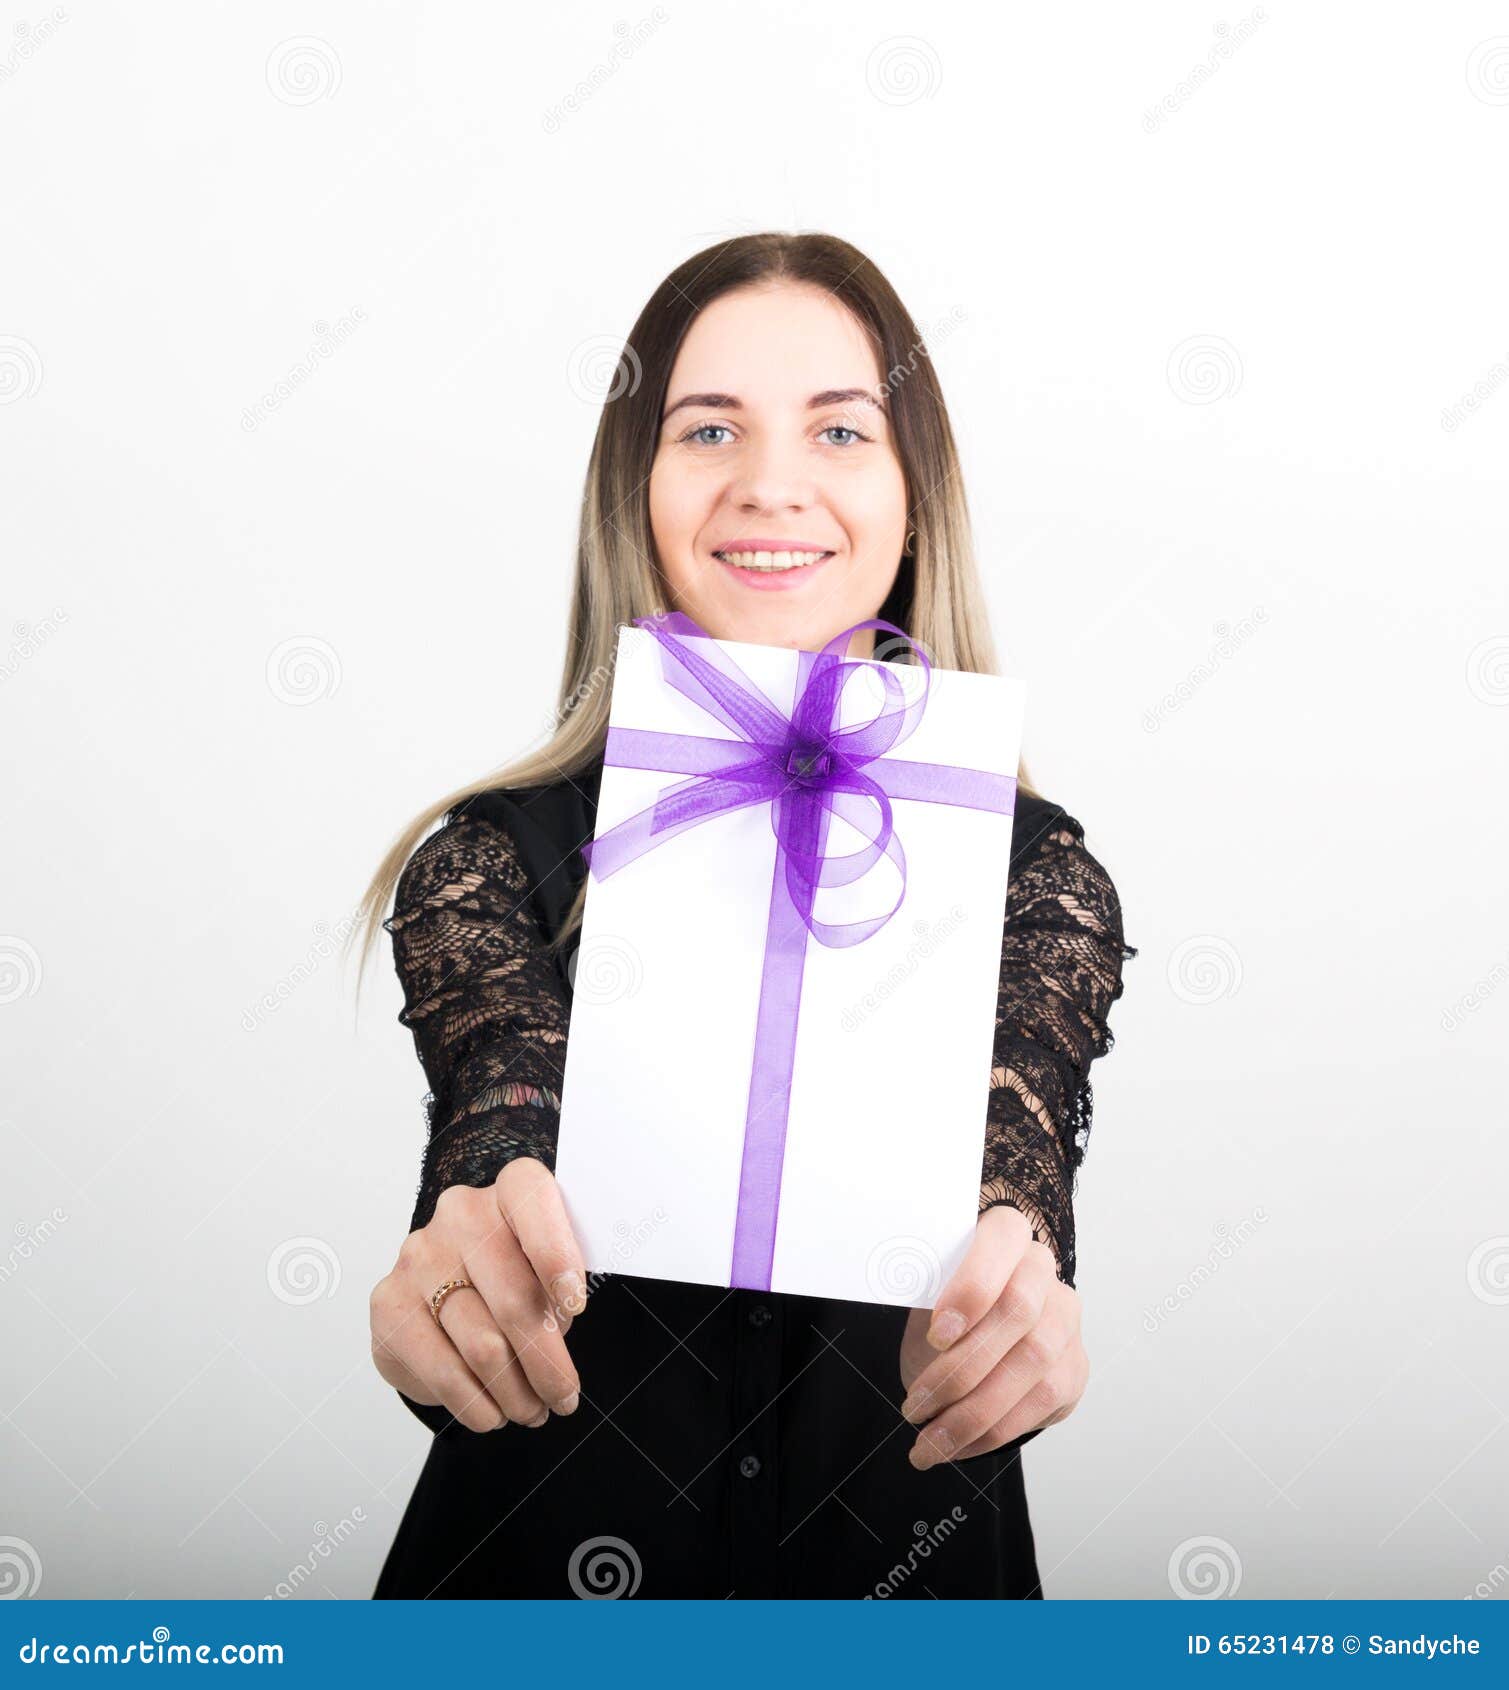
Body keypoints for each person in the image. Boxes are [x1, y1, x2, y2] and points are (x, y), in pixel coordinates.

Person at [355, 232, 1136, 1599]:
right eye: (707, 427)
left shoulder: (1037, 875)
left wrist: (1026, 1290)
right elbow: (504, 1111)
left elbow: (1014, 1165)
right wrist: (463, 1267)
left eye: (840, 429)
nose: (770, 481)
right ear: (637, 491)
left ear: (911, 495)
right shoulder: (492, 858)